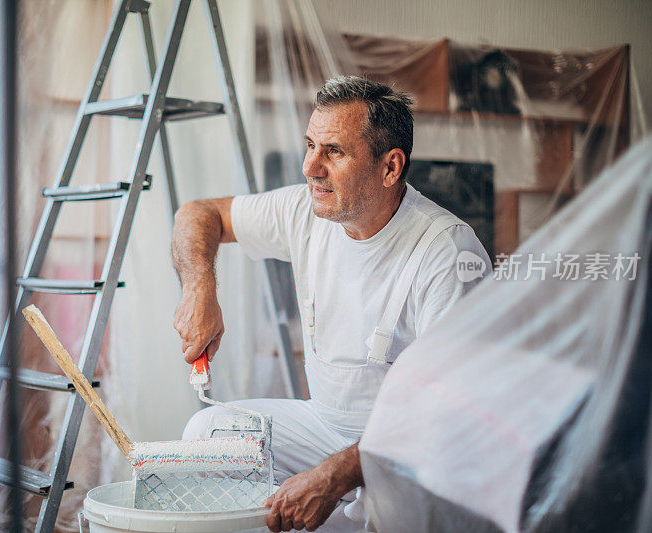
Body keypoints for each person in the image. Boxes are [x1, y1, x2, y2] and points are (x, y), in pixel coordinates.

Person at [171, 76, 490, 531]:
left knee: (390, 515)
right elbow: (198, 214)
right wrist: (199, 288)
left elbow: (450, 414)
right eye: (309, 145)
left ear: (390, 167)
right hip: (325, 425)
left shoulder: (447, 253)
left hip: (413, 452)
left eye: (333, 151)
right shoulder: (305, 210)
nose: (309, 167)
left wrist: (333, 476)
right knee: (206, 435)